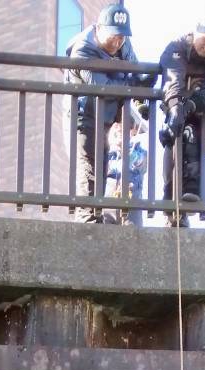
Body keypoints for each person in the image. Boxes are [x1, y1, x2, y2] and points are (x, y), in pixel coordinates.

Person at [64, 3, 151, 223]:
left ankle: (99, 214)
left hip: (107, 114)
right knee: (89, 164)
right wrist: (128, 80)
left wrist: (141, 97)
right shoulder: (82, 50)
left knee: (103, 165)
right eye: (113, 35)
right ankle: (88, 218)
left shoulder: (124, 44)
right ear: (99, 28)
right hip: (83, 115)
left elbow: (136, 73)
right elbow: (102, 86)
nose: (118, 41)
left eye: (122, 36)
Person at [158, 7, 205, 215]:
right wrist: (175, 107)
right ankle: (172, 201)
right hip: (179, 117)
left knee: (190, 132)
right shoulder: (178, 46)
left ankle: (192, 192)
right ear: (197, 30)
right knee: (174, 137)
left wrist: (190, 105)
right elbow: (172, 79)